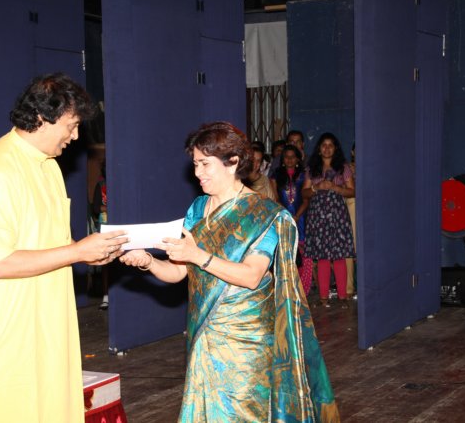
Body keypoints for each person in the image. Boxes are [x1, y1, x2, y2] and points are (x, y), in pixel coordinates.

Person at [0, 73, 128, 423]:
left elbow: (52, 244)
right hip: (5, 336)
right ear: (43, 117)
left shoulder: (48, 167)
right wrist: (77, 252)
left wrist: (92, 250)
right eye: (72, 126)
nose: (75, 136)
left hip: (45, 331)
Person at [120, 121, 339, 422]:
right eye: (195, 164)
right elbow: (180, 272)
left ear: (233, 162)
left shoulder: (264, 214)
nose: (197, 173)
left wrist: (198, 255)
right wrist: (148, 262)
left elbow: (251, 276)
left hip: (246, 344)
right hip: (204, 337)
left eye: (205, 164)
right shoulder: (198, 209)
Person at [303, 132, 355, 307]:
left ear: (335, 148)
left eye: (330, 145)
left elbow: (352, 191)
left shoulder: (343, 168)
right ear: (319, 149)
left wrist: (335, 188)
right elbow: (304, 193)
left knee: (339, 256)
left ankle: (343, 296)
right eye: (323, 145)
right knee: (322, 257)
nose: (327, 148)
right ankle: (323, 297)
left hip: (337, 215)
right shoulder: (312, 168)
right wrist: (316, 187)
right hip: (318, 216)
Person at [272, 145, 313, 295]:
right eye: (286, 157)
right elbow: (276, 198)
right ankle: (288, 289)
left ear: (298, 159)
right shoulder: (276, 175)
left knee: (304, 252)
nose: (289, 159)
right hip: (284, 217)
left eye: (292, 157)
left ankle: (304, 289)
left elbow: (306, 198)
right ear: (282, 159)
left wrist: (296, 216)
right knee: (286, 251)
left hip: (302, 217)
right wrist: (288, 216)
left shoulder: (304, 175)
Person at [91, 161, 110, 309]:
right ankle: (106, 296)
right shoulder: (101, 185)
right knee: (106, 263)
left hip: (122, 227)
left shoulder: (123, 184)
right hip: (105, 227)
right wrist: (108, 207)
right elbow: (96, 208)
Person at [345, 143, 357, 299]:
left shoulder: (373, 167)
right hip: (350, 208)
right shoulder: (346, 168)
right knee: (349, 248)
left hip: (369, 211)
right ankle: (348, 288)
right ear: (352, 152)